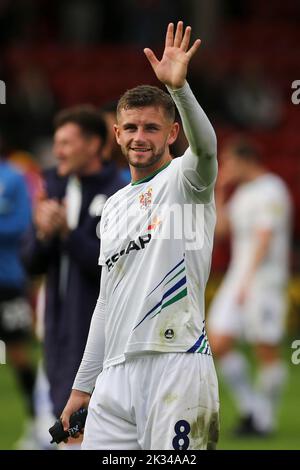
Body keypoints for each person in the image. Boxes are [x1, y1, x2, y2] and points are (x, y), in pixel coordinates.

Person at [61, 21, 219, 450]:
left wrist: (180, 89)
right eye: (130, 128)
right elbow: (106, 301)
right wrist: (82, 386)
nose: (139, 137)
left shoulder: (187, 180)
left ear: (172, 133)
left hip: (177, 362)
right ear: (116, 135)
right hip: (114, 374)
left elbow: (205, 148)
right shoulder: (112, 207)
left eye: (152, 128)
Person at [22, 105, 125, 425]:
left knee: (93, 424)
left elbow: (114, 268)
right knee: (65, 422)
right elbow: (31, 264)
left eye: (66, 143)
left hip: (103, 329)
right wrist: (43, 234)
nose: (57, 152)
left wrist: (67, 233)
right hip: (58, 326)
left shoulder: (119, 193)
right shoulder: (53, 188)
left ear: (94, 144)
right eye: (57, 143)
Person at [208, 137, 292, 436]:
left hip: (264, 281)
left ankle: (264, 420)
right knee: (216, 342)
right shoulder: (242, 193)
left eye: (230, 161)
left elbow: (265, 237)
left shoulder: (272, 189)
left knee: (265, 349)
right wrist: (218, 189)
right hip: (239, 278)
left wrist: (248, 280)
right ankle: (251, 408)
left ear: (246, 160)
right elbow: (219, 231)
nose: (226, 167)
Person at [0, 153, 36, 447]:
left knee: (17, 351)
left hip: (7, 279)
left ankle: (36, 420)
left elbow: (23, 222)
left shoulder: (13, 176)